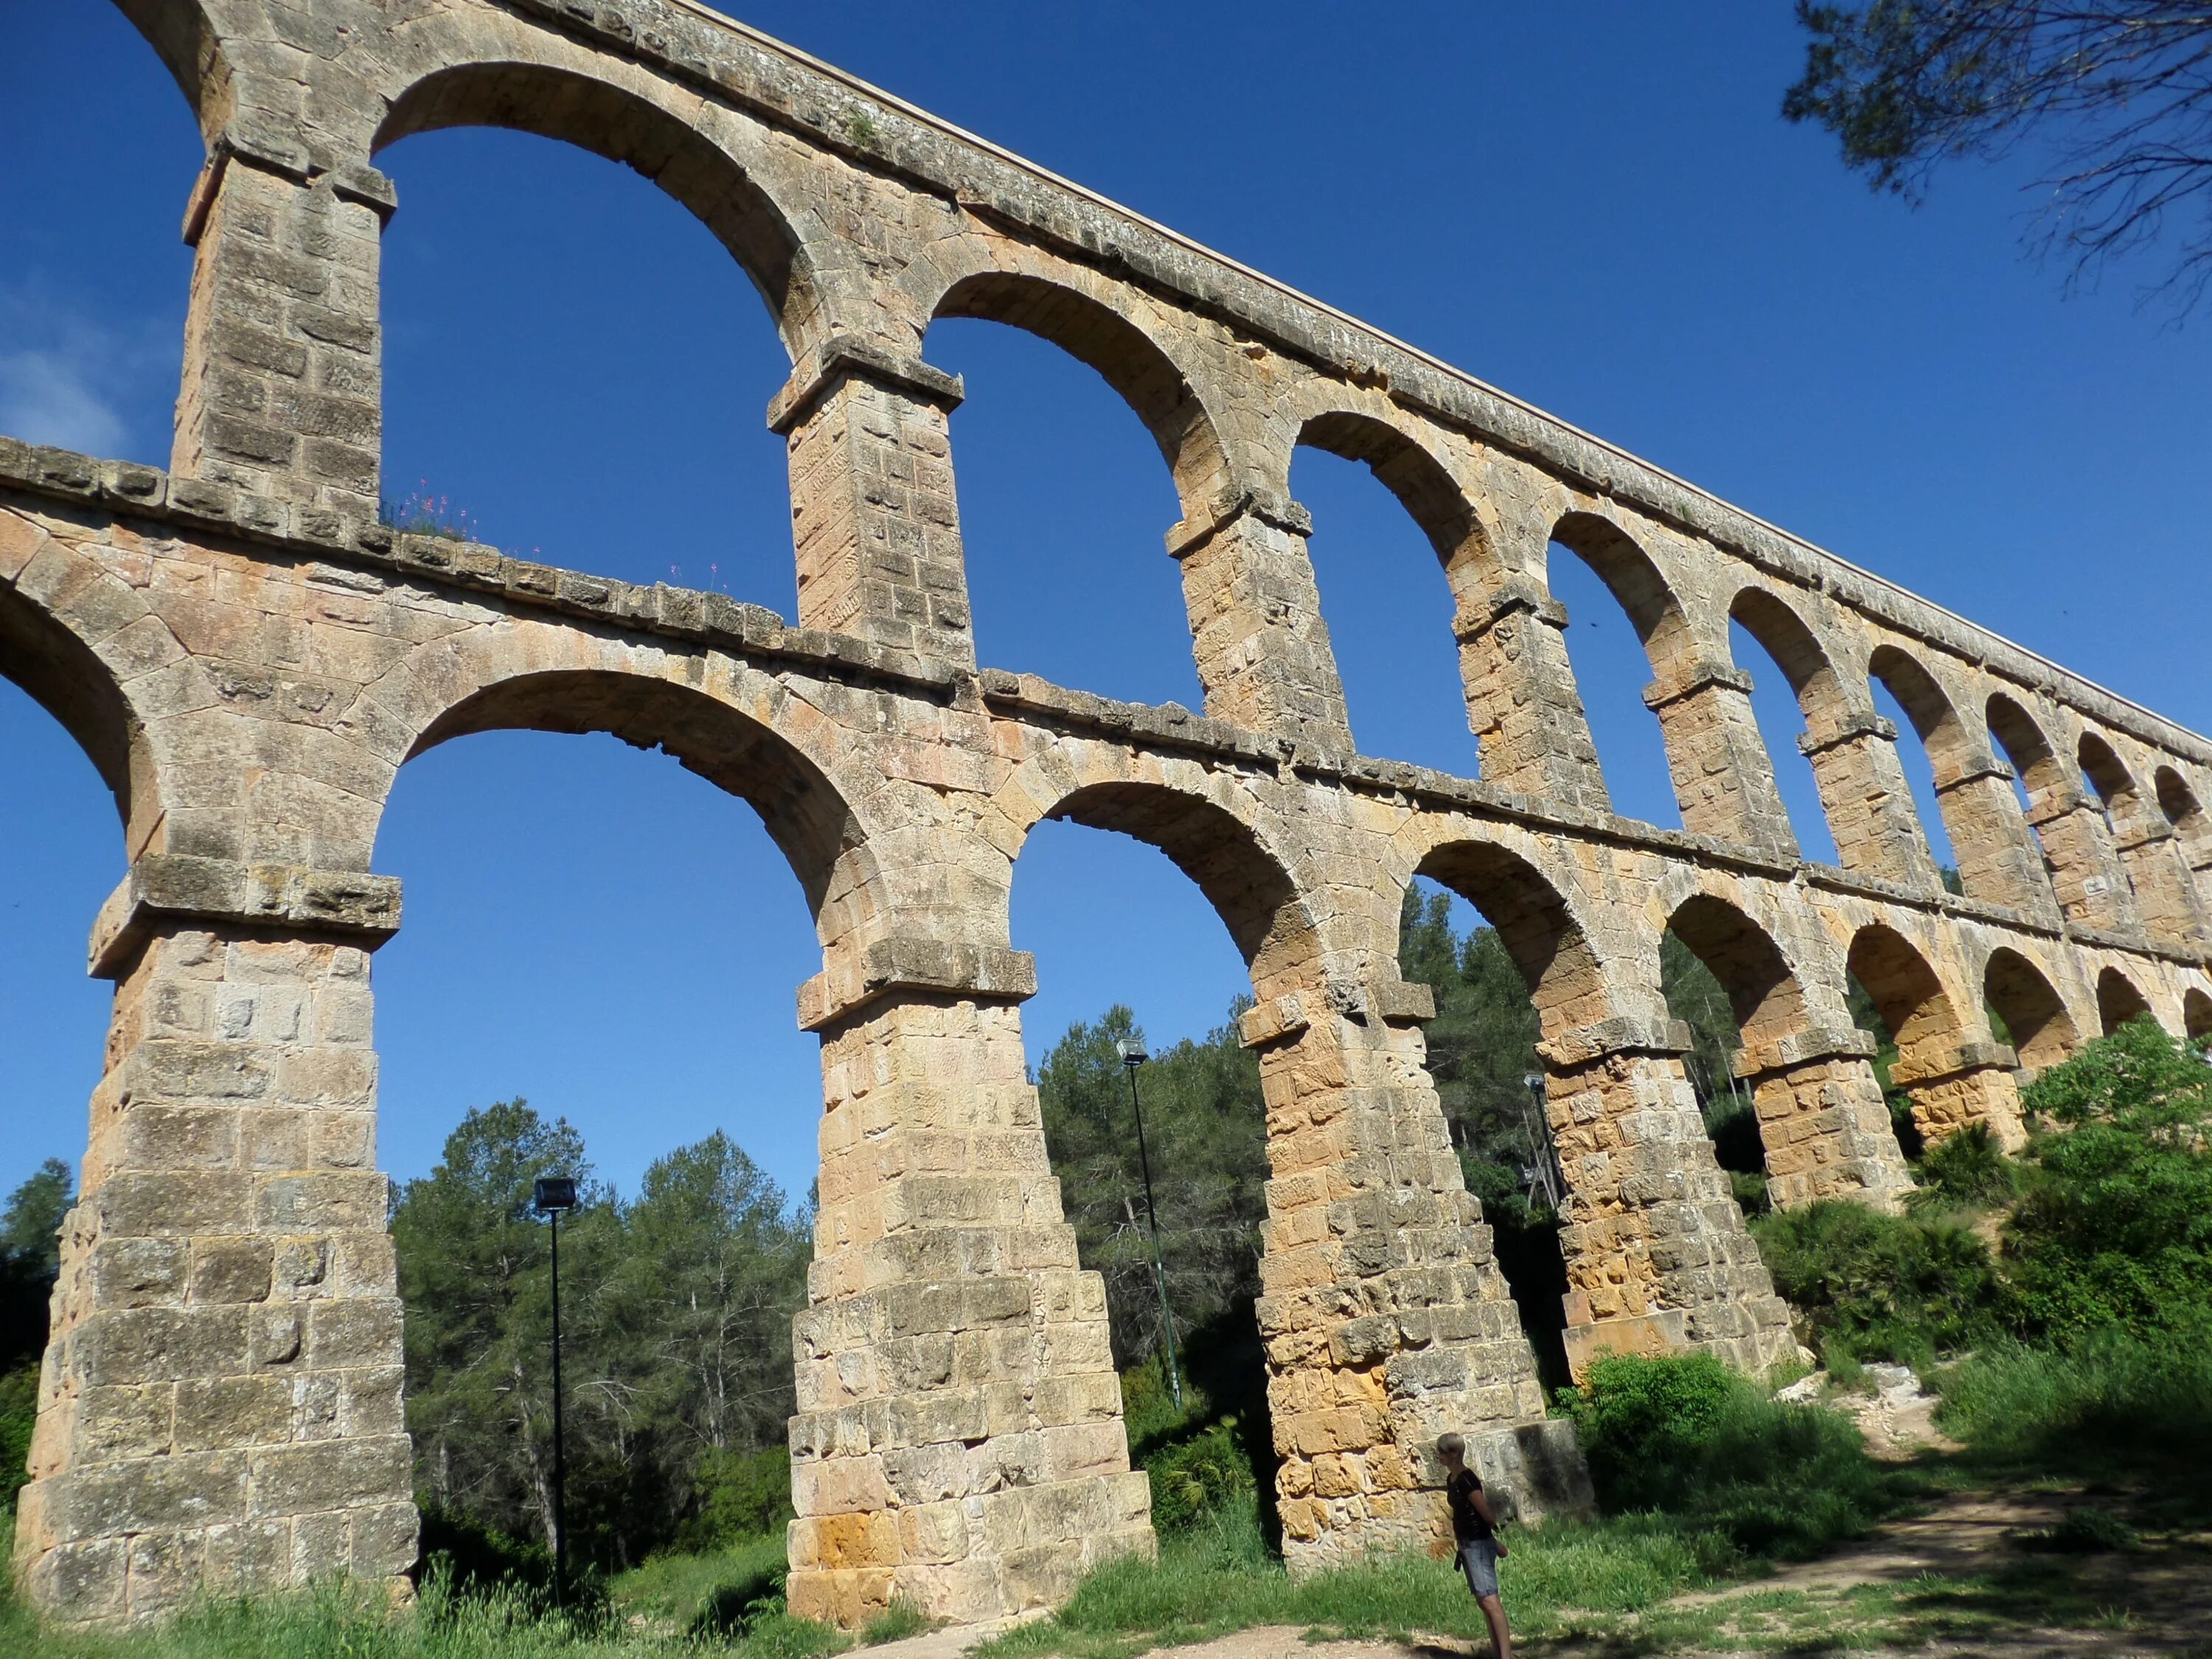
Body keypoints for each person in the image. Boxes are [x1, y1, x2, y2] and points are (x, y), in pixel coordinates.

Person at [1438, 1432, 1512, 1659]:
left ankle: (1505, 1656)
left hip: (1478, 1543)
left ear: (1454, 1453)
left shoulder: (1467, 1479)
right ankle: (1496, 1652)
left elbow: (1486, 1515)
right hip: (1468, 1545)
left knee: (1491, 1601)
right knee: (1483, 1601)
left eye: (1442, 1451)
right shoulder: (1451, 1480)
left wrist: (1490, 1540)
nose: (1439, 1456)